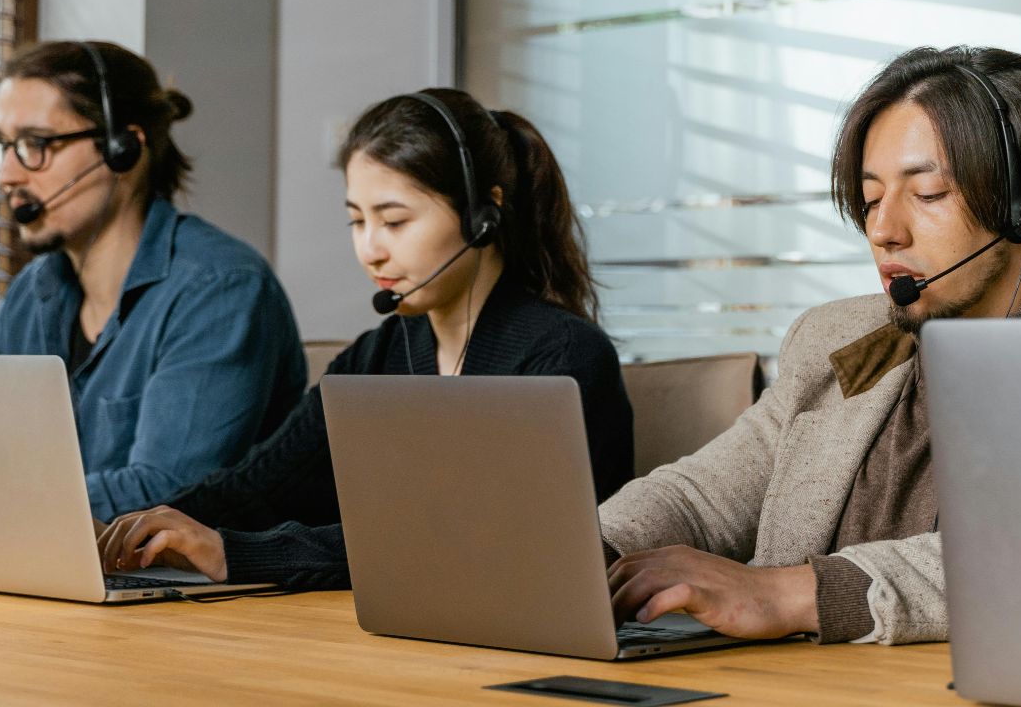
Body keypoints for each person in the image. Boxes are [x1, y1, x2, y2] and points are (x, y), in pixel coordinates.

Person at [602, 46, 1021, 646]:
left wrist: (784, 594)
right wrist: (581, 551)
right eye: (870, 199)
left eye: (929, 193)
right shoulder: (838, 342)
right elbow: (703, 495)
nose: (884, 231)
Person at [95, 89, 632, 590]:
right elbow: (254, 487)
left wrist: (235, 554)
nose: (370, 249)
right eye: (357, 221)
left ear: (483, 216)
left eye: (394, 222)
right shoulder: (378, 354)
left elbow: (464, 539)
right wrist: (124, 531)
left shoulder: (563, 357)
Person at [0, 41, 304, 528]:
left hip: (184, 595)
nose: (8, 176)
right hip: (54, 570)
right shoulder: (34, 292)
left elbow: (167, 492)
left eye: (37, 144)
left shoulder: (220, 289)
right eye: (4, 146)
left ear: (123, 149)